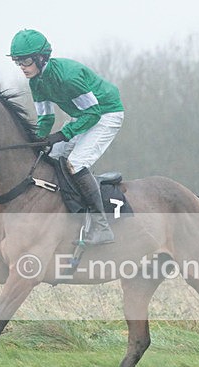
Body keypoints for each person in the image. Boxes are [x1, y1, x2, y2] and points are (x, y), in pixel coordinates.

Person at [9, 29, 124, 245]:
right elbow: (45, 119)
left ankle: (101, 227)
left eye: (25, 61)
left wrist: (64, 134)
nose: (22, 67)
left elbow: (94, 113)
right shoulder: (36, 82)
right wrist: (38, 142)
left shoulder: (67, 78)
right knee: (52, 155)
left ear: (41, 58)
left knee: (75, 164)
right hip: (84, 115)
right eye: (18, 62)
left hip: (107, 112)